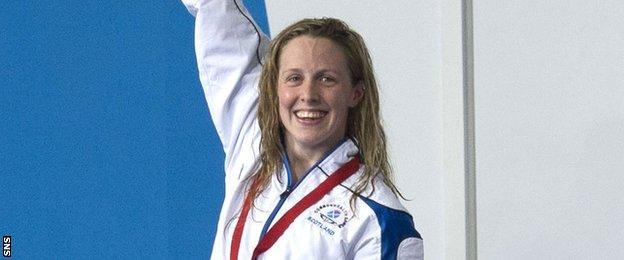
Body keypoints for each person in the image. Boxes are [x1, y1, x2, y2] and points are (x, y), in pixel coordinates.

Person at [181, 0, 423, 259]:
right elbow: (218, 16)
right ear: (275, 88)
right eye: (294, 78)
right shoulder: (253, 142)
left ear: (355, 93)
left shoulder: (378, 218)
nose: (308, 95)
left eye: (326, 79)